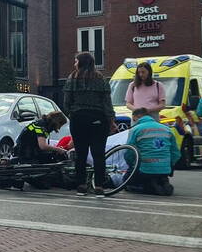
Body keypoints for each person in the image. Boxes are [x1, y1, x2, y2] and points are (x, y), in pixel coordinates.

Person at [63, 51, 117, 196]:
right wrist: (111, 120)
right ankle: (99, 186)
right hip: (98, 119)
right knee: (98, 153)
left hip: (79, 119)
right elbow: (107, 103)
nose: (74, 64)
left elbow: (67, 103)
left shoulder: (72, 78)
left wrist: (73, 114)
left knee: (80, 154)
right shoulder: (101, 79)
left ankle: (81, 185)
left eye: (76, 61)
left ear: (81, 62)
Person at [11, 111, 69, 190]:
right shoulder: (41, 127)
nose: (59, 128)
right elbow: (43, 146)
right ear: (56, 122)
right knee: (44, 184)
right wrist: (58, 149)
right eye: (60, 125)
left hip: (29, 151)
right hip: (26, 154)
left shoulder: (41, 123)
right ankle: (22, 176)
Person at [126, 108, 177, 195]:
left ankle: (150, 186)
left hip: (145, 169)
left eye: (133, 119)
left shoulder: (135, 129)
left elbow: (129, 151)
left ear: (136, 116)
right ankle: (162, 180)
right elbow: (176, 153)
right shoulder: (167, 129)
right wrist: (169, 165)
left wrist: (131, 166)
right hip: (165, 169)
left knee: (127, 182)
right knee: (159, 174)